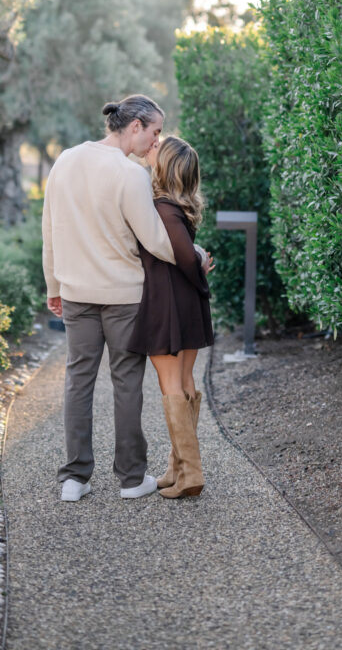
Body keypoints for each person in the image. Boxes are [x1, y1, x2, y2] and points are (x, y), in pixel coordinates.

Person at [42, 94, 177, 502]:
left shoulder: (65, 160)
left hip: (77, 293)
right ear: (135, 126)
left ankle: (74, 479)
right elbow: (155, 240)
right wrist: (198, 257)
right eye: (154, 132)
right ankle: (132, 479)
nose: (155, 142)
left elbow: (50, 230)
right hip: (123, 296)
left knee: (78, 382)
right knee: (127, 383)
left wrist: (54, 286)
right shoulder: (130, 173)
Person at [127, 135, 214, 498]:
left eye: (157, 152)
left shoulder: (161, 207)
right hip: (187, 302)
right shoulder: (179, 206)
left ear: (167, 168)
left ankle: (191, 472)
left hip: (167, 303)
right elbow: (188, 252)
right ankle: (177, 468)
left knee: (171, 385)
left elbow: (181, 253)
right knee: (186, 381)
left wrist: (199, 270)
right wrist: (199, 269)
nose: (152, 150)